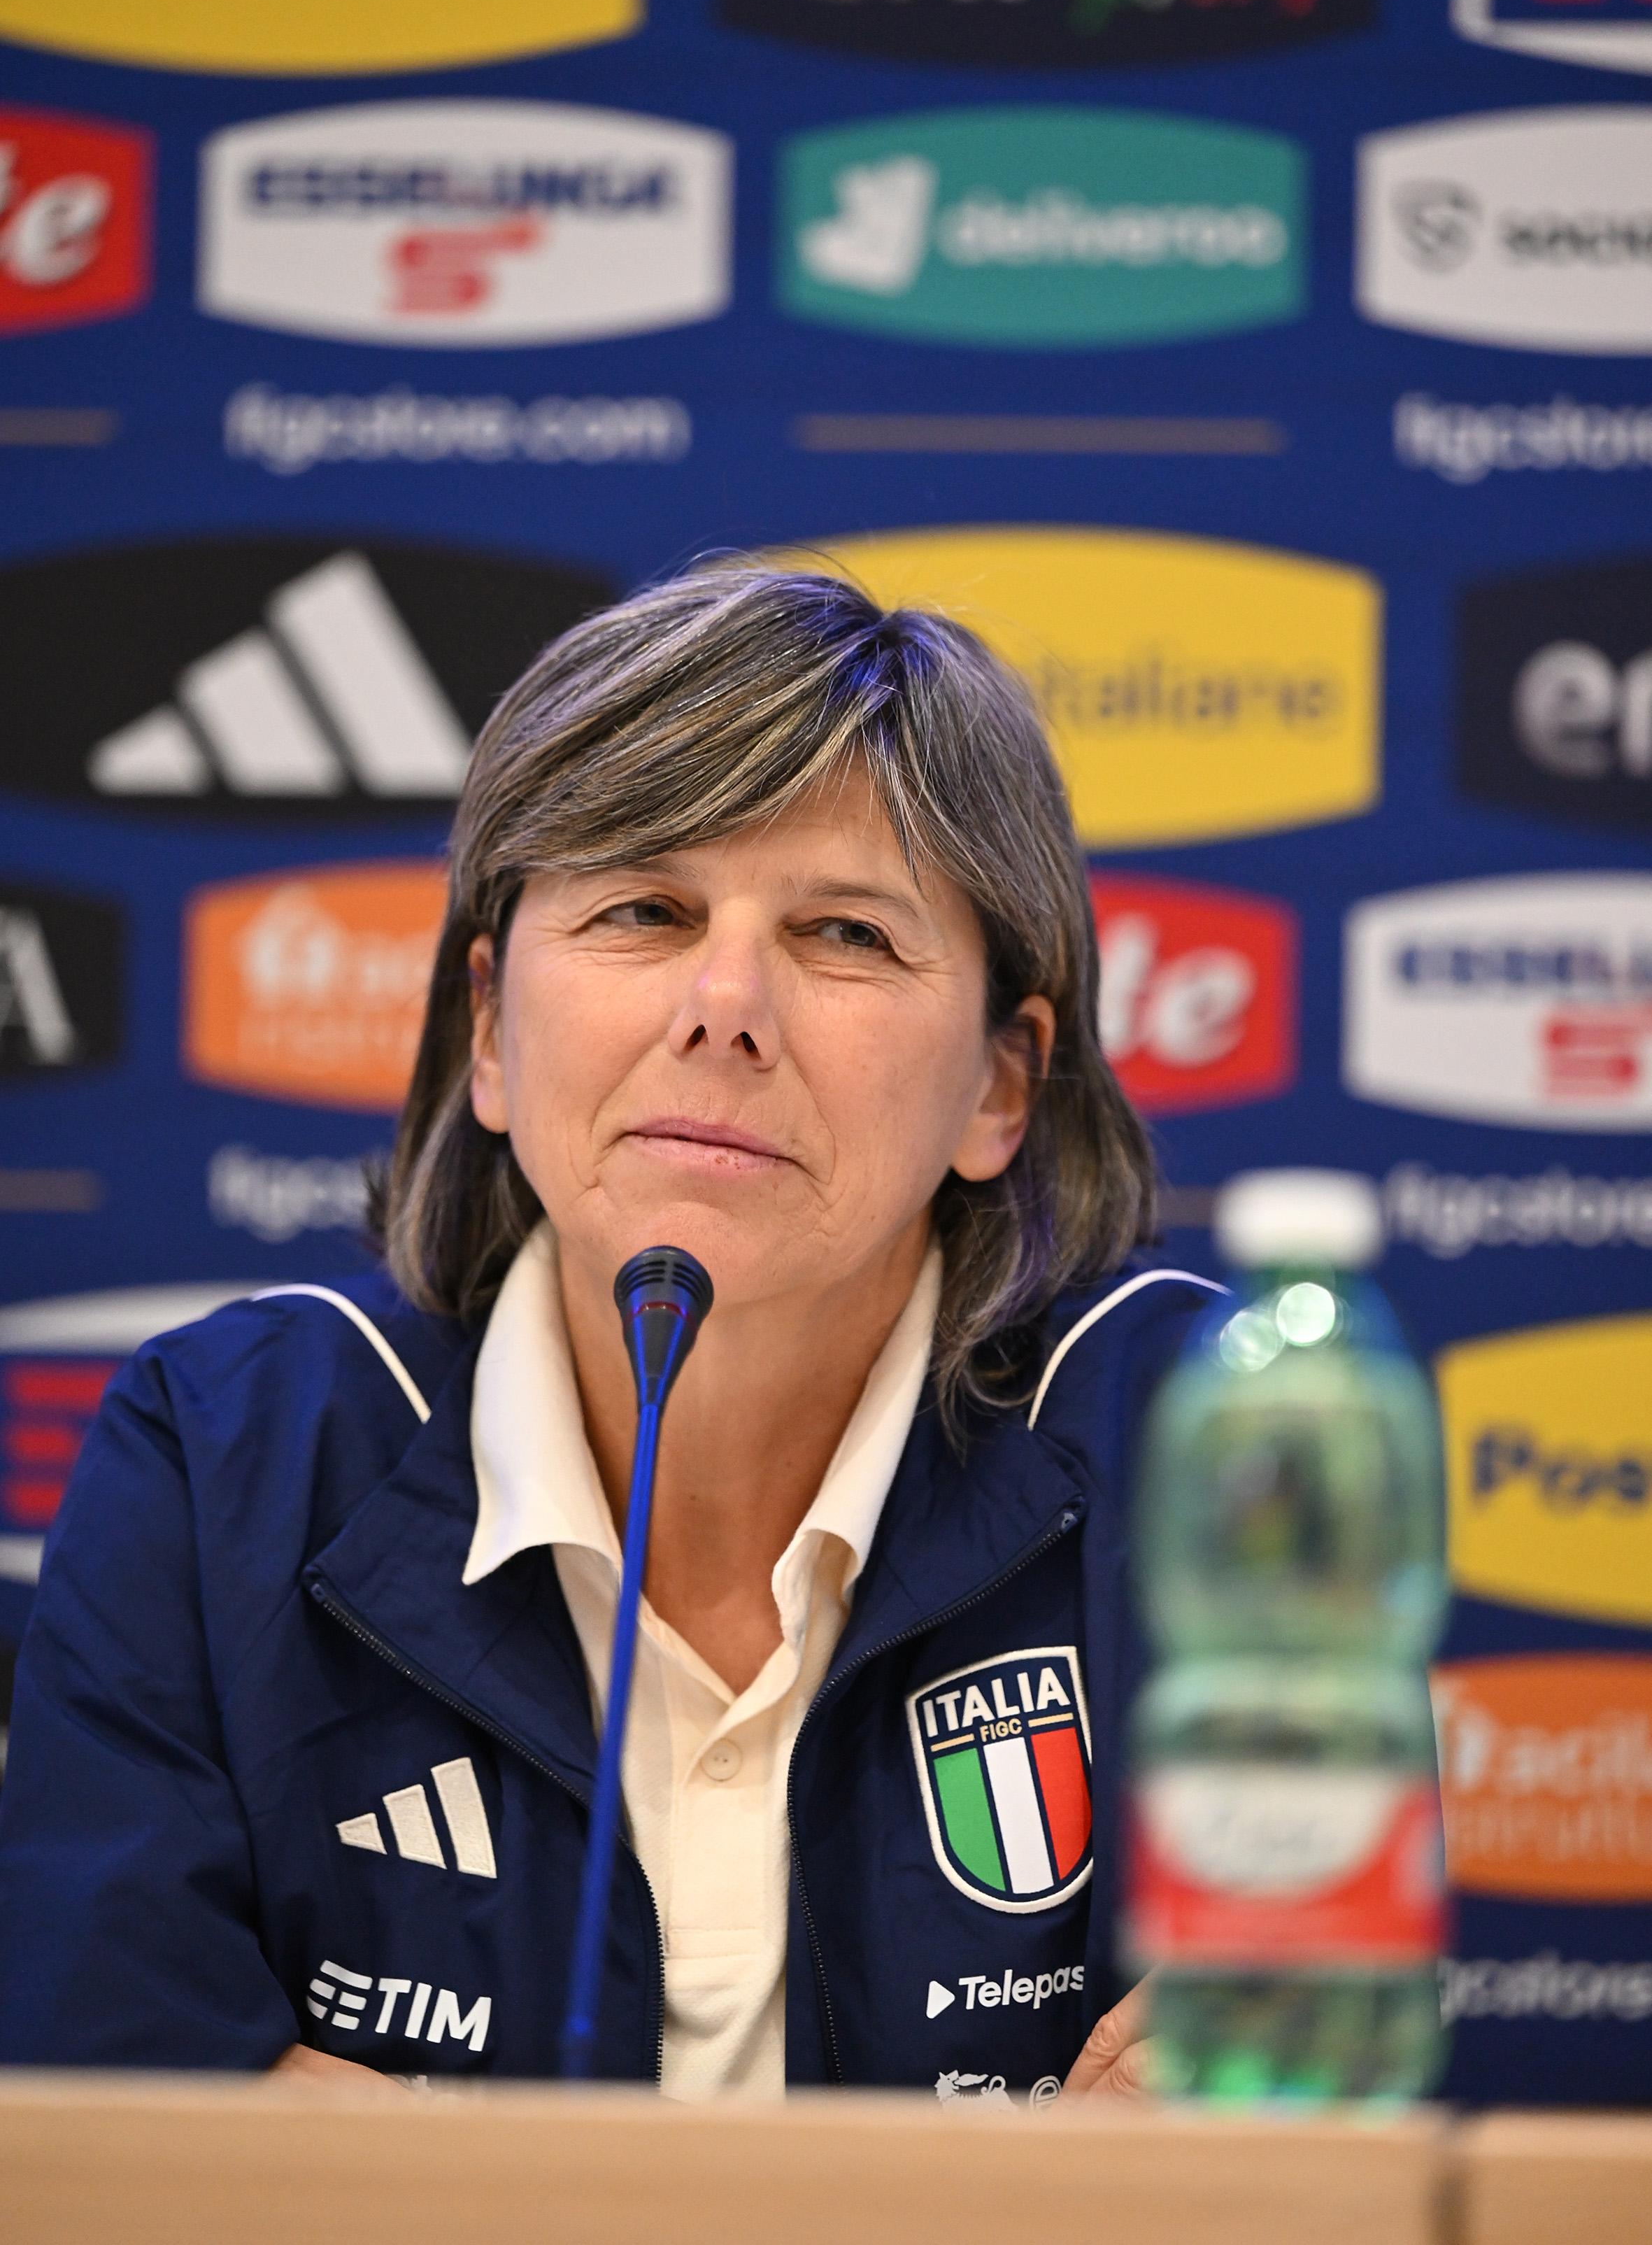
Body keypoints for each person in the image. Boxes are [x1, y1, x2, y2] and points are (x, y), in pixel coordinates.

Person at [0, 562, 1220, 2102]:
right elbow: (122, 2140)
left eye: (844, 933)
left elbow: (1274, 2108)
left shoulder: (1202, 1439)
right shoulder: (227, 1455)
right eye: (642, 908)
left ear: (998, 1085)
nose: (724, 1004)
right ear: (493, 1032)